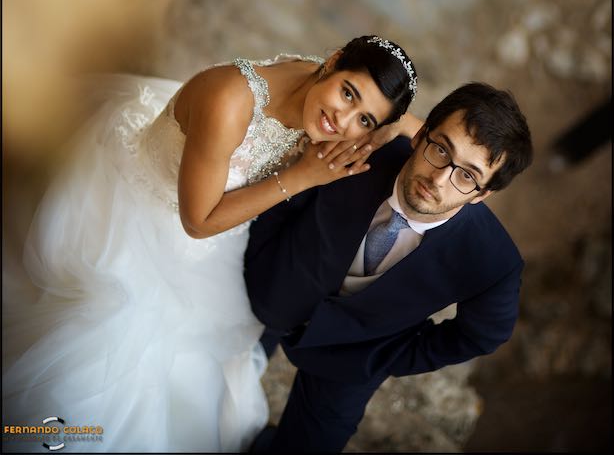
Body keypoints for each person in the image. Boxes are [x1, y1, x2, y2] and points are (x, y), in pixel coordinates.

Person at [2, 35, 417, 454]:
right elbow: (198, 223)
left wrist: (402, 127)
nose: (342, 121)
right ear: (334, 61)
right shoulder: (229, 99)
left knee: (206, 356)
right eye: (348, 93)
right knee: (117, 345)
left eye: (365, 120)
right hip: (147, 211)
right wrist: (302, 177)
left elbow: (419, 128)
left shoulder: (326, 92)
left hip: (218, 239)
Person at [245, 78, 533, 454]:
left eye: (467, 176)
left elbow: (483, 335)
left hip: (354, 355)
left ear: (483, 194)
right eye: (441, 149)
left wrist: (387, 355)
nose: (439, 178)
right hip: (282, 287)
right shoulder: (357, 146)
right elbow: (283, 202)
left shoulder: (494, 262)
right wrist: (262, 263)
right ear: (420, 135)